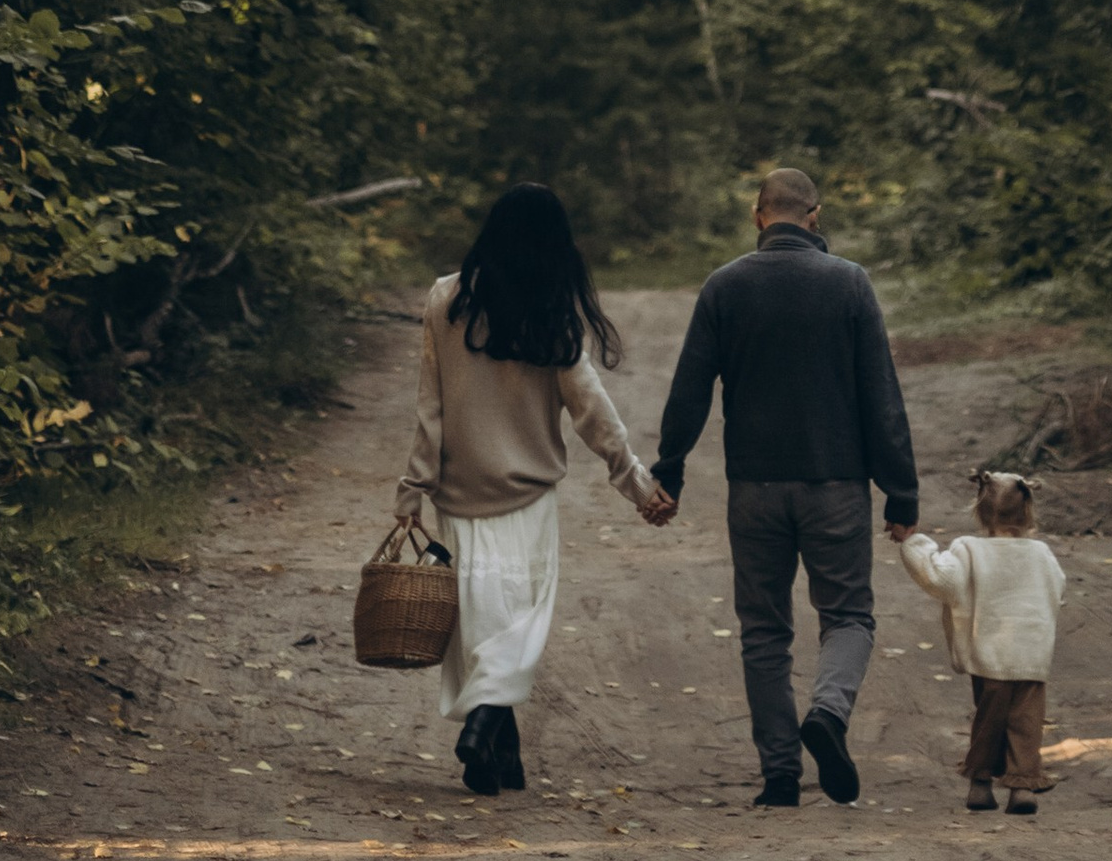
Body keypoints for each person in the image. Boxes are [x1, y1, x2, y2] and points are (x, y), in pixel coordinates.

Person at [649, 166, 919, 809]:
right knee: (848, 615)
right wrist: (900, 492)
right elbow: (881, 394)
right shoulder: (849, 283)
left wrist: (670, 470)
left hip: (755, 490)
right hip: (837, 486)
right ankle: (827, 711)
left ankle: (778, 775)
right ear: (815, 216)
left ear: (758, 215)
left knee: (764, 631)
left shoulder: (725, 286)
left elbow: (690, 388)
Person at [395, 181, 676, 796]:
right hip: (527, 495)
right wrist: (637, 482)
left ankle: (500, 750)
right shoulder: (549, 310)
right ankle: (485, 723)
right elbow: (590, 410)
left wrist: (413, 486)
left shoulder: (446, 299)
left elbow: (430, 407)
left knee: (481, 619)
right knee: (519, 618)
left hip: (459, 493)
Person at [896, 466, 1066, 815]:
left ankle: (980, 783)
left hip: (989, 654)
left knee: (990, 717)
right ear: (1028, 511)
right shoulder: (1041, 553)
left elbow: (941, 580)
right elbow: (1057, 588)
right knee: (1026, 723)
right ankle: (1022, 789)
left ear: (980, 511)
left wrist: (914, 543)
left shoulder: (968, 550)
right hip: (1031, 655)